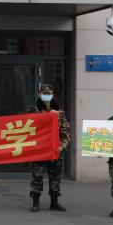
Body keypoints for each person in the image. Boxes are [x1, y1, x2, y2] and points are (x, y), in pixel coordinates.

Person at [28, 83, 71, 212]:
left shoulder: (59, 113)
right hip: (39, 151)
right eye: (44, 94)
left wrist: (62, 146)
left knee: (55, 177)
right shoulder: (33, 111)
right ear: (39, 94)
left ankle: (54, 202)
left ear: (52, 95)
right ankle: (35, 202)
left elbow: (65, 133)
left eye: (49, 94)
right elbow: (26, 131)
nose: (46, 96)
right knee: (37, 177)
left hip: (55, 151)